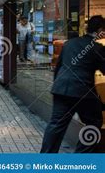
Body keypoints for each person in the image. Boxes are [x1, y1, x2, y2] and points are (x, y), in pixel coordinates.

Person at [40, 15, 105, 153]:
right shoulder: (97, 47)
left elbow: (58, 67)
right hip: (82, 92)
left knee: (56, 125)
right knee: (94, 121)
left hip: (61, 89)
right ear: (100, 30)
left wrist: (58, 86)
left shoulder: (70, 43)